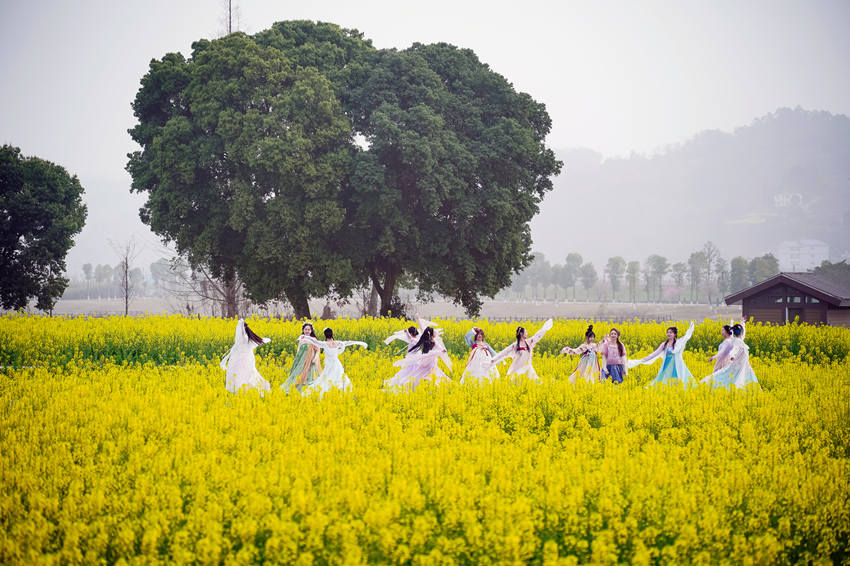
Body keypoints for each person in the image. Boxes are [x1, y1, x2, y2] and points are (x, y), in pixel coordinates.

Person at [300, 328, 367, 397]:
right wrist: (360, 342)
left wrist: (305, 337)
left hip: (329, 365)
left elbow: (314, 341)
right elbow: (348, 342)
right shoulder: (338, 343)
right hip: (337, 364)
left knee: (327, 378)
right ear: (332, 334)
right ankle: (340, 393)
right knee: (339, 378)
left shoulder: (324, 344)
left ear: (325, 335)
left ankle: (329, 393)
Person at [627, 321, 696, 388]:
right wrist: (643, 360)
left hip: (677, 363)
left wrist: (690, 329)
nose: (669, 334)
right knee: (665, 377)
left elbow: (685, 338)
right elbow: (655, 353)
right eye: (667, 332)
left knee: (678, 376)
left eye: (671, 332)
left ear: (675, 334)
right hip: (667, 364)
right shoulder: (664, 344)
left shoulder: (678, 343)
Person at [385, 326, 452, 390]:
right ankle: (424, 383)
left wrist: (441, 350)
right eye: (434, 332)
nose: (436, 333)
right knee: (426, 372)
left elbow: (438, 346)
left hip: (430, 359)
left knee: (430, 372)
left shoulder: (432, 340)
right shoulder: (425, 341)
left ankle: (429, 383)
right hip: (427, 359)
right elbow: (411, 339)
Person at [701, 319, 759, 390]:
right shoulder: (736, 342)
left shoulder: (739, 341)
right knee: (736, 380)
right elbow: (734, 350)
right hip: (738, 366)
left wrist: (742, 323)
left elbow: (742, 336)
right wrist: (732, 356)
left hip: (743, 366)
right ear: (740, 333)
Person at [220, 319, 271, 394]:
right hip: (246, 362)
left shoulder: (241, 341)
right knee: (247, 376)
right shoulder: (245, 339)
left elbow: (231, 353)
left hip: (242, 363)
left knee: (240, 377)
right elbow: (257, 342)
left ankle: (238, 391)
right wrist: (265, 340)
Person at [280, 322, 322, 393]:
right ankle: (297, 389)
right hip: (301, 361)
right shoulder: (301, 338)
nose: (307, 331)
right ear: (303, 330)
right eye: (306, 329)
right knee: (299, 374)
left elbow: (318, 350)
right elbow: (299, 350)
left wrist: (316, 358)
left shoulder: (313, 339)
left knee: (311, 374)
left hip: (311, 360)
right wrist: (296, 361)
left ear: (311, 331)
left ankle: (310, 390)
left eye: (309, 329)